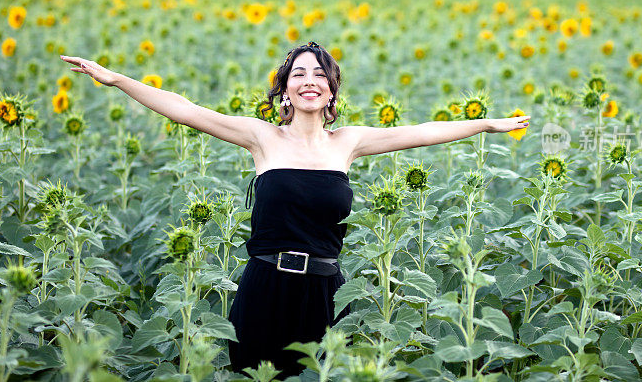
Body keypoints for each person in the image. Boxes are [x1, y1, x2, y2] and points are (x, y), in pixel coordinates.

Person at [59, 42, 530, 377]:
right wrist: (116, 79)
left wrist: (486, 124)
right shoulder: (262, 137)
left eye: (320, 75)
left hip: (325, 290)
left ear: (331, 92)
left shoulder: (349, 142)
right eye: (299, 74)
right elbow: (186, 110)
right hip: (265, 285)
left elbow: (424, 131)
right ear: (285, 89)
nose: (310, 81)